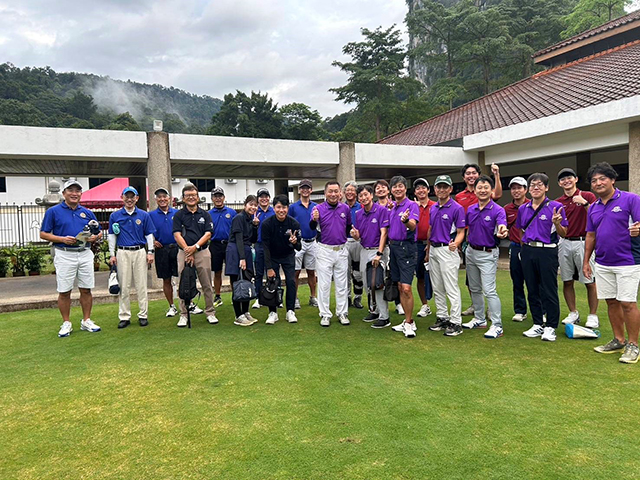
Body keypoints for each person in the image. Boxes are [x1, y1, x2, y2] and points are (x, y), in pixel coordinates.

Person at [584, 162, 640, 364]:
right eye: (594, 180)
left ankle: (633, 345)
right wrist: (586, 261)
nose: (598, 183)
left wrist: (638, 229)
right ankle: (619, 339)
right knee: (611, 302)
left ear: (613, 180)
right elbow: (590, 235)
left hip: (628, 261)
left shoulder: (631, 199)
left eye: (602, 179)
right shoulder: (593, 207)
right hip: (602, 262)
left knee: (627, 303)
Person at [40, 179, 102, 337]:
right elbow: (43, 234)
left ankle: (86, 320)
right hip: (64, 252)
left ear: (81, 193)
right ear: (64, 193)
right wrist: (62, 239)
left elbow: (98, 231)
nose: (74, 194)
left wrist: (95, 237)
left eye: (77, 191)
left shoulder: (87, 212)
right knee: (64, 290)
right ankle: (66, 322)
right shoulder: (53, 212)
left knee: (86, 289)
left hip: (84, 252)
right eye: (70, 190)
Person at [517, 173, 567, 342]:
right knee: (532, 288)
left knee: (549, 289)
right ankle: (538, 323)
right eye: (532, 185)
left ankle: (551, 326)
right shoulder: (523, 208)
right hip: (528, 250)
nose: (536, 188)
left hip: (547, 251)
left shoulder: (556, 207)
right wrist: (524, 248)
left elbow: (564, 233)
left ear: (546, 187)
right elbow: (521, 230)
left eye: (539, 185)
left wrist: (557, 223)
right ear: (528, 189)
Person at [462, 175, 508, 338]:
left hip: (488, 253)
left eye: (486, 187)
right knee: (474, 288)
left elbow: (502, 225)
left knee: (489, 290)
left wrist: (502, 230)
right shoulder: (471, 209)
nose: (482, 190)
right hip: (471, 252)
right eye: (479, 187)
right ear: (474, 190)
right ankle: (479, 319)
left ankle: (497, 325)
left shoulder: (498, 210)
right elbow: (466, 228)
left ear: (491, 190)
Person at [455, 163, 502, 317]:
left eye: (474, 173)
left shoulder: (488, 197)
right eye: (468, 173)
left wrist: (496, 175)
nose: (471, 175)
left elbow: (497, 195)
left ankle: (492, 315)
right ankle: (477, 310)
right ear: (464, 177)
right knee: (472, 283)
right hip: (468, 242)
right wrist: (458, 241)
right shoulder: (460, 198)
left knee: (488, 287)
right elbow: (460, 221)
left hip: (487, 245)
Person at [555, 168, 599, 328]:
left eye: (569, 177)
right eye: (562, 179)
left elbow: (597, 216)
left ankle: (593, 315)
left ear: (576, 179)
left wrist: (585, 204)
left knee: (589, 281)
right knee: (567, 281)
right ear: (559, 183)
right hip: (564, 242)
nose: (566, 181)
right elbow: (559, 227)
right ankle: (573, 312)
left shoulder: (587, 196)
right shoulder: (558, 202)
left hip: (583, 241)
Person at [108, 186, 156, 329]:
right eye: (127, 196)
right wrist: (112, 254)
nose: (129, 199)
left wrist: (150, 251)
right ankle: (124, 316)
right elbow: (112, 235)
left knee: (141, 285)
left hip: (139, 251)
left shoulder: (144, 215)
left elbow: (149, 234)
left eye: (132, 197)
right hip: (123, 252)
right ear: (122, 197)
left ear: (137, 198)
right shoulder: (115, 216)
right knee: (124, 286)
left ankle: (143, 315)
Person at [172, 184, 218, 327]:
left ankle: (210, 312)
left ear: (198, 197)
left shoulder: (205, 214)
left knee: (206, 284)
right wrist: (188, 250)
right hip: (184, 253)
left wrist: (195, 247)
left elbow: (208, 234)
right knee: (183, 283)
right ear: (183, 198)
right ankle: (183, 314)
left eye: (193, 195)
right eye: (188, 196)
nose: (191, 198)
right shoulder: (179, 215)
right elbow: (177, 234)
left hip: (202, 252)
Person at [427, 175, 466, 337]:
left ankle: (456, 322)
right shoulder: (433, 207)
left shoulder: (457, 208)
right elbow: (430, 229)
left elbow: (461, 231)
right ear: (435, 189)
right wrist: (428, 250)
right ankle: (442, 317)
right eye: (439, 187)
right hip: (434, 250)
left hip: (447, 250)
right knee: (437, 287)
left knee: (451, 287)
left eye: (445, 187)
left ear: (451, 189)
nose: (442, 190)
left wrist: (456, 244)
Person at [310, 181, 352, 327]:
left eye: (336, 191)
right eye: (330, 191)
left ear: (340, 193)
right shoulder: (318, 209)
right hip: (324, 250)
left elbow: (348, 227)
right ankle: (325, 314)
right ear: (325, 193)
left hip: (341, 250)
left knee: (342, 284)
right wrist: (314, 219)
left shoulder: (345, 208)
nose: (333, 194)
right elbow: (312, 227)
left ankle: (342, 313)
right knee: (324, 284)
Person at [351, 184, 390, 328]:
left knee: (377, 283)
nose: (363, 198)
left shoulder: (381, 210)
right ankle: (374, 310)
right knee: (367, 283)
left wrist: (379, 254)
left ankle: (384, 317)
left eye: (366, 195)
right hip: (364, 250)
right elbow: (359, 236)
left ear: (371, 195)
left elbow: (384, 233)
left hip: (377, 251)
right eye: (360, 196)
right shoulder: (358, 214)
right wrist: (355, 235)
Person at [261, 195, 302, 324]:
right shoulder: (267, 224)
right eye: (278, 207)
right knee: (273, 282)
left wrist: (295, 242)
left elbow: (299, 247)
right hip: (272, 256)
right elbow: (265, 247)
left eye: (284, 207)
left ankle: (290, 311)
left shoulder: (294, 224)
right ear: (274, 208)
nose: (281, 210)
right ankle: (273, 312)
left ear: (288, 208)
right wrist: (269, 268)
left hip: (288, 255)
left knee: (291, 281)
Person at [387, 175, 420, 338]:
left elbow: (413, 225)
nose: (397, 189)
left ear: (405, 188)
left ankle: (409, 322)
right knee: (400, 285)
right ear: (391, 190)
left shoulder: (412, 205)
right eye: (395, 187)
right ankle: (407, 320)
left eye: (400, 186)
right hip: (393, 248)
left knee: (406, 287)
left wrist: (406, 221)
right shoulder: (393, 207)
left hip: (406, 248)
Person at [226, 195, 260, 326]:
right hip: (236, 251)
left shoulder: (251, 219)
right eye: (251, 204)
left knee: (247, 281)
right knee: (237, 283)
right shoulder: (238, 218)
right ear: (245, 205)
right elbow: (238, 239)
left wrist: (255, 226)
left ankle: (245, 312)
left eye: (255, 205)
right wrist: (242, 258)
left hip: (246, 250)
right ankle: (238, 315)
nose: (253, 207)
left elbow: (253, 240)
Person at [149, 188, 180, 317]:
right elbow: (146, 231)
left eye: (164, 196)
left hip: (177, 248)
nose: (162, 199)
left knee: (184, 276)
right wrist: (152, 241)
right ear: (156, 200)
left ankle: (188, 303)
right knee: (166, 279)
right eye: (159, 197)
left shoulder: (177, 213)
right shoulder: (151, 215)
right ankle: (172, 306)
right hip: (162, 250)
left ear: (169, 198)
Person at [375, 179, 404, 316]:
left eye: (383, 187)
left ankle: (398, 303)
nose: (380, 189)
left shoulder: (395, 205)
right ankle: (376, 306)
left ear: (388, 190)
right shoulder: (373, 207)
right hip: (378, 247)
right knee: (378, 277)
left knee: (394, 274)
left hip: (393, 244)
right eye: (378, 188)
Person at [289, 179, 318, 308]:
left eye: (307, 188)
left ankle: (313, 297)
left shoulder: (316, 206)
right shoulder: (293, 207)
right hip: (298, 243)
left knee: (311, 271)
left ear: (311, 190)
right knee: (296, 272)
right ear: (299, 190)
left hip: (312, 241)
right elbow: (289, 224)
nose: (305, 190)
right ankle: (295, 298)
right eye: (303, 188)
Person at [504, 177, 530, 322]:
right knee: (517, 280)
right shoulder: (507, 209)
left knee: (534, 280)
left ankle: (540, 311)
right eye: (513, 188)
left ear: (525, 190)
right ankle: (520, 310)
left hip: (531, 247)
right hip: (515, 246)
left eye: (519, 188)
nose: (516, 191)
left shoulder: (533, 205)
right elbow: (504, 226)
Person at [208, 186, 237, 307]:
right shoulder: (208, 214)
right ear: (212, 199)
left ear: (224, 198)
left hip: (229, 244)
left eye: (220, 196)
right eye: (215, 196)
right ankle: (218, 296)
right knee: (217, 271)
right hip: (215, 245)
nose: (218, 199)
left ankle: (235, 295)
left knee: (232, 272)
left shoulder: (232, 212)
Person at [413, 178, 436, 319]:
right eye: (418, 188)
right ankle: (425, 305)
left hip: (433, 245)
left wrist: (430, 246)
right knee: (420, 276)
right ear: (415, 192)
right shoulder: (412, 206)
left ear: (428, 190)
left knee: (436, 277)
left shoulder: (435, 206)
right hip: (417, 245)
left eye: (423, 187)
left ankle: (441, 306)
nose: (421, 190)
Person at [252, 188, 275, 309]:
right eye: (261, 197)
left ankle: (274, 296)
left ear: (269, 198)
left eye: (266, 196)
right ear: (258, 199)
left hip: (272, 246)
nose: (264, 199)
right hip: (259, 245)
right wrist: (254, 225)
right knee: (259, 273)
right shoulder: (255, 212)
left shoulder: (274, 211)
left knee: (273, 272)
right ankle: (258, 297)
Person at [344, 181, 363, 309]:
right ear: (344, 192)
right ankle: (347, 297)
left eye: (352, 190)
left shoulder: (361, 206)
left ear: (356, 193)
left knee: (357, 272)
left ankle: (358, 297)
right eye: (348, 190)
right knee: (345, 271)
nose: (350, 192)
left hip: (358, 241)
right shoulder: (340, 206)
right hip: (344, 241)